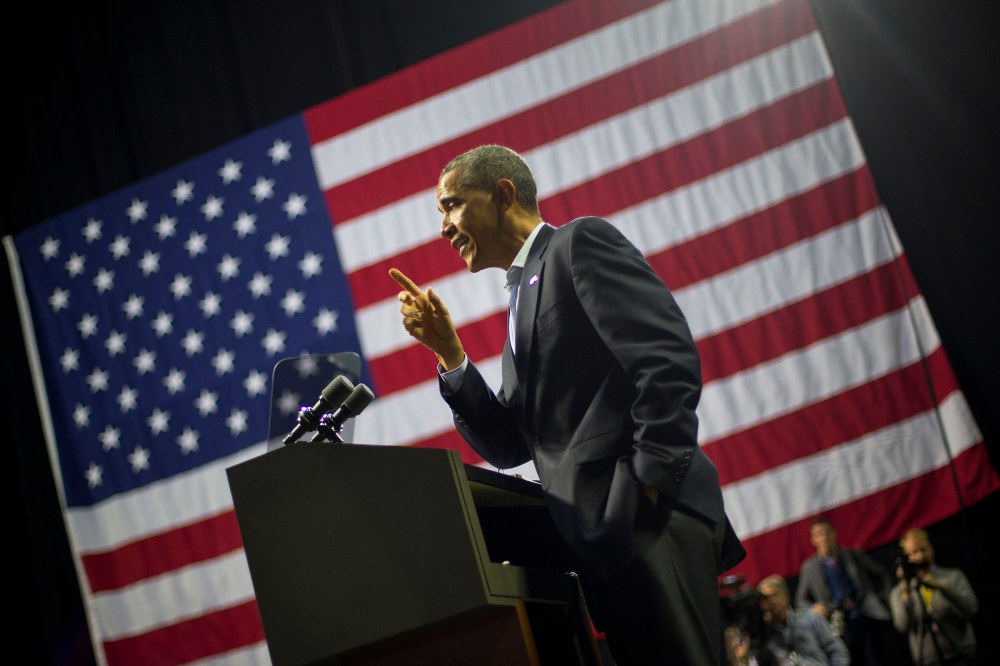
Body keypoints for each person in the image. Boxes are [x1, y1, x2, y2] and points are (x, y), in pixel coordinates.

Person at [389, 144, 745, 664]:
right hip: (604, 543)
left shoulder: (577, 244)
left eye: (451, 204)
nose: (443, 226)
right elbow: (513, 444)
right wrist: (450, 353)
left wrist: (644, 488)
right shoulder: (519, 300)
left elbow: (665, 362)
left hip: (648, 523)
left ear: (503, 194)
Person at [795, 518, 896, 664]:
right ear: (813, 540)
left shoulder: (853, 555)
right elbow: (800, 600)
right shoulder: (809, 568)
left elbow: (881, 574)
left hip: (865, 616)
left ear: (834, 534)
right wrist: (813, 608)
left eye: (827, 532)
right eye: (819, 534)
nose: (824, 537)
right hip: (836, 626)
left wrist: (885, 595)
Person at [889, 528, 978, 665]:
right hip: (928, 659)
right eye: (913, 553)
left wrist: (943, 589)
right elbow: (903, 625)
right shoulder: (898, 592)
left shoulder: (952, 576)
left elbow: (971, 609)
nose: (919, 556)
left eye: (923, 550)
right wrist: (905, 591)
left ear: (931, 549)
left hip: (961, 653)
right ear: (907, 557)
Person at [758, 575, 850, 666]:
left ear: (786, 597)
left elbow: (838, 652)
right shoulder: (766, 637)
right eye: (764, 599)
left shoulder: (811, 619)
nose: (768, 603)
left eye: (773, 596)